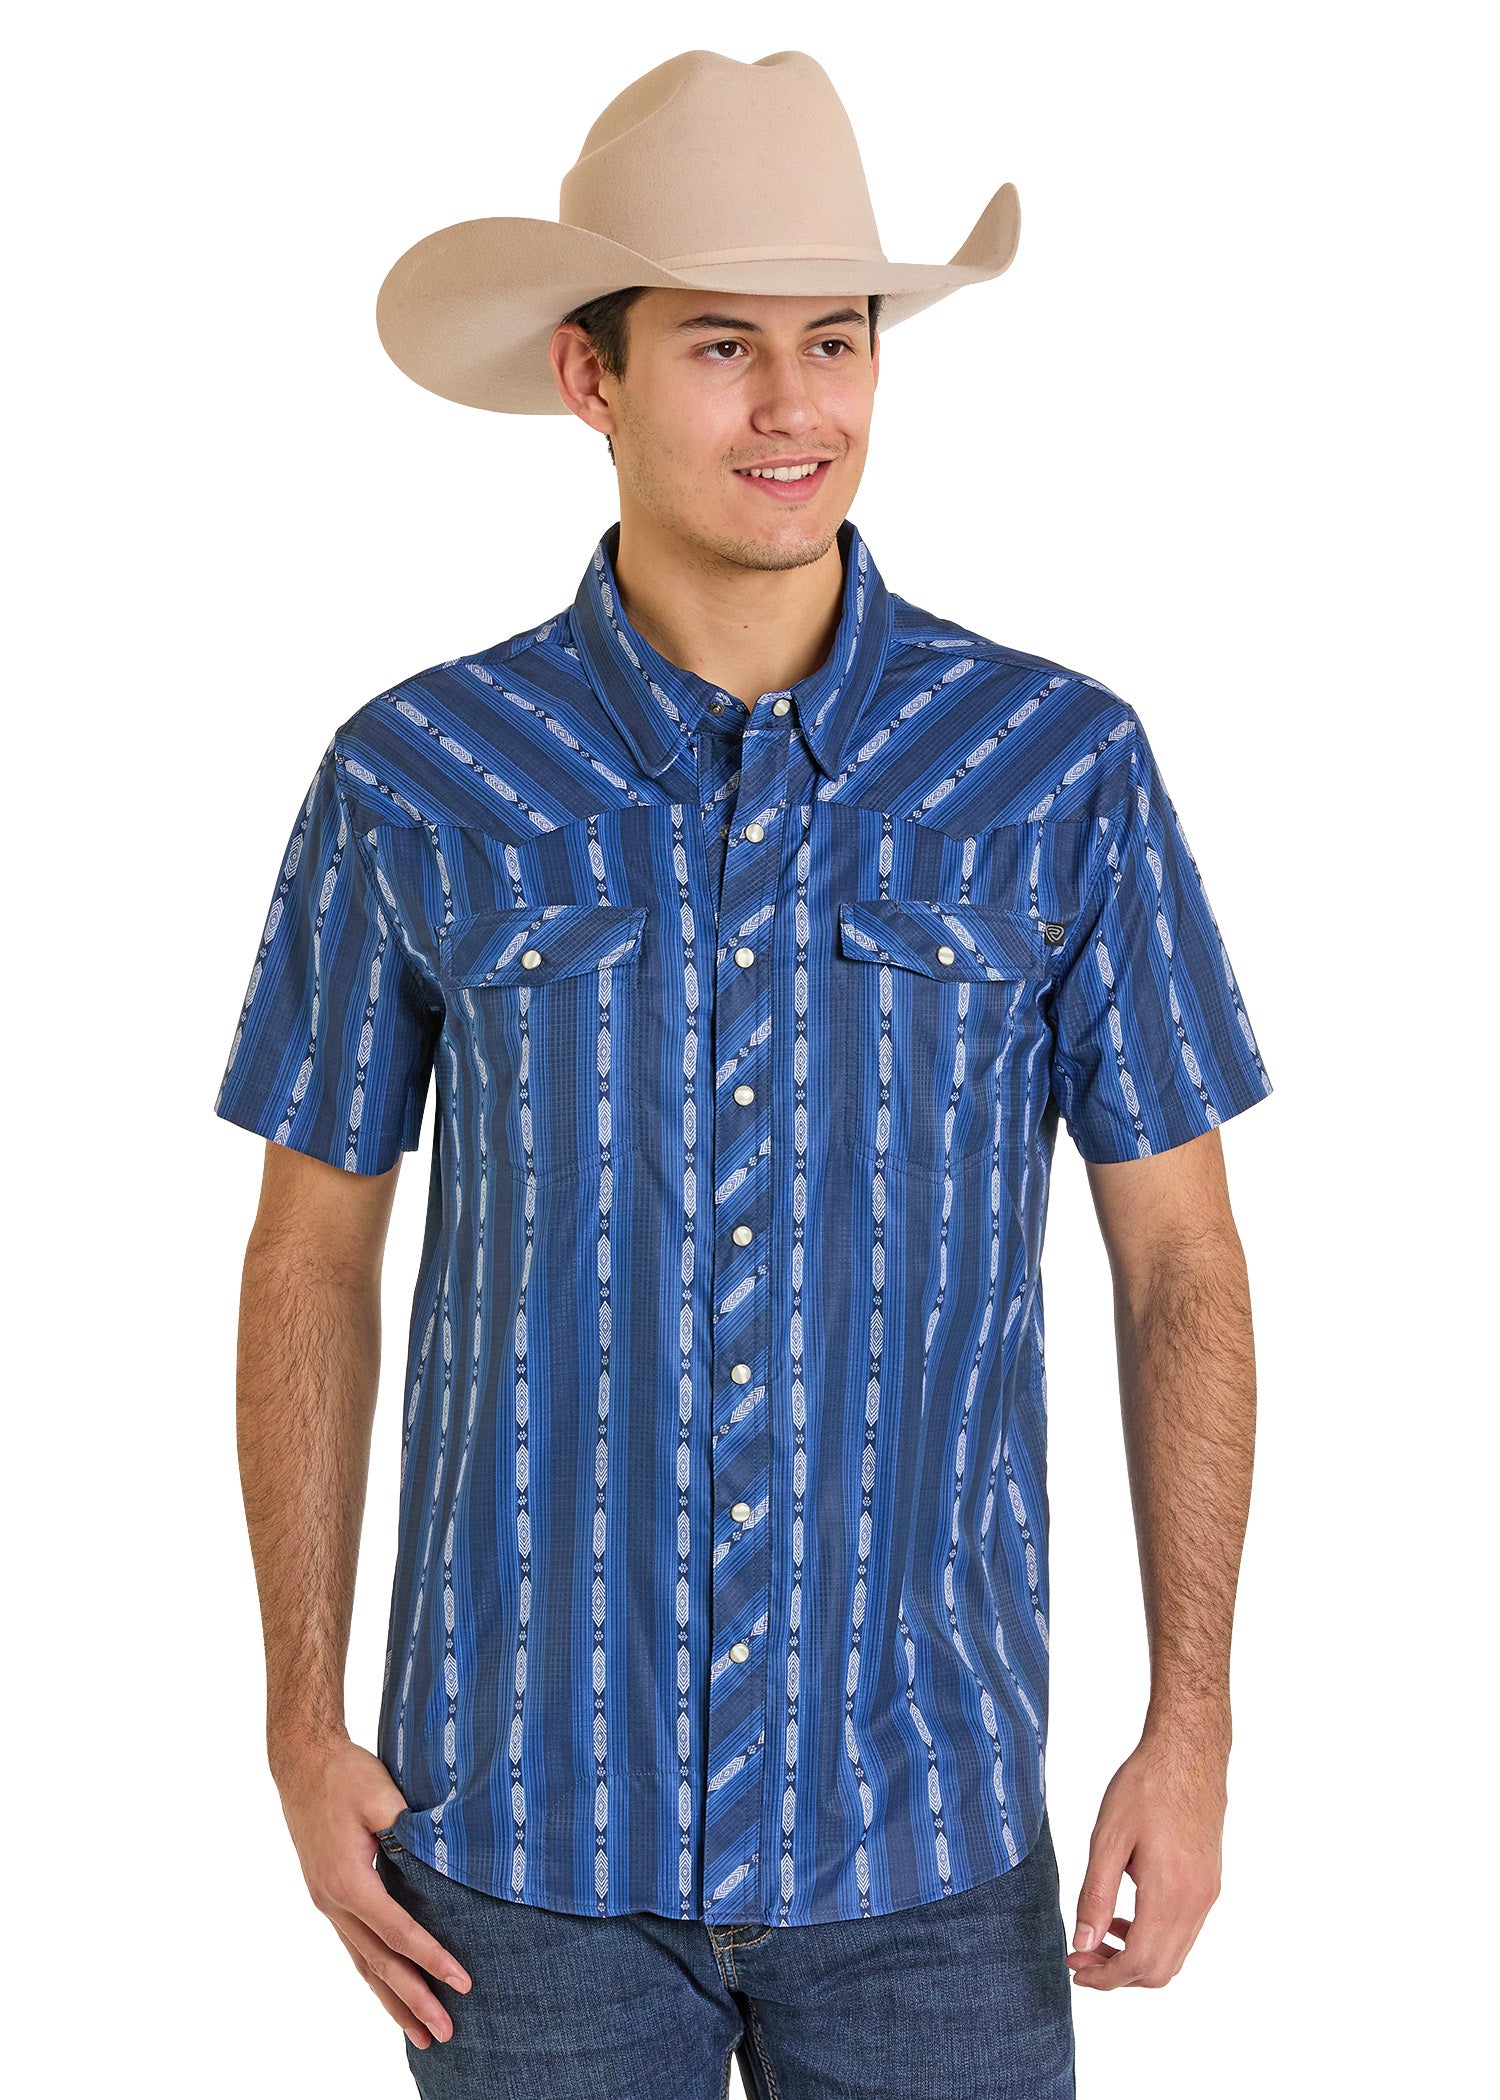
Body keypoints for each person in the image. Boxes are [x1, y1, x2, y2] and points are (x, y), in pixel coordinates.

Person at [214, 47, 1273, 2100]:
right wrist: (295, 1720)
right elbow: (305, 1264)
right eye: (722, 345)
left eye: (836, 338)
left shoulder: (1059, 774)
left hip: (933, 1852)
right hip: (514, 1864)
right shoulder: (416, 780)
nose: (798, 408)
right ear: (587, 376)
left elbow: (1186, 1273)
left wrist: (1192, 1725)